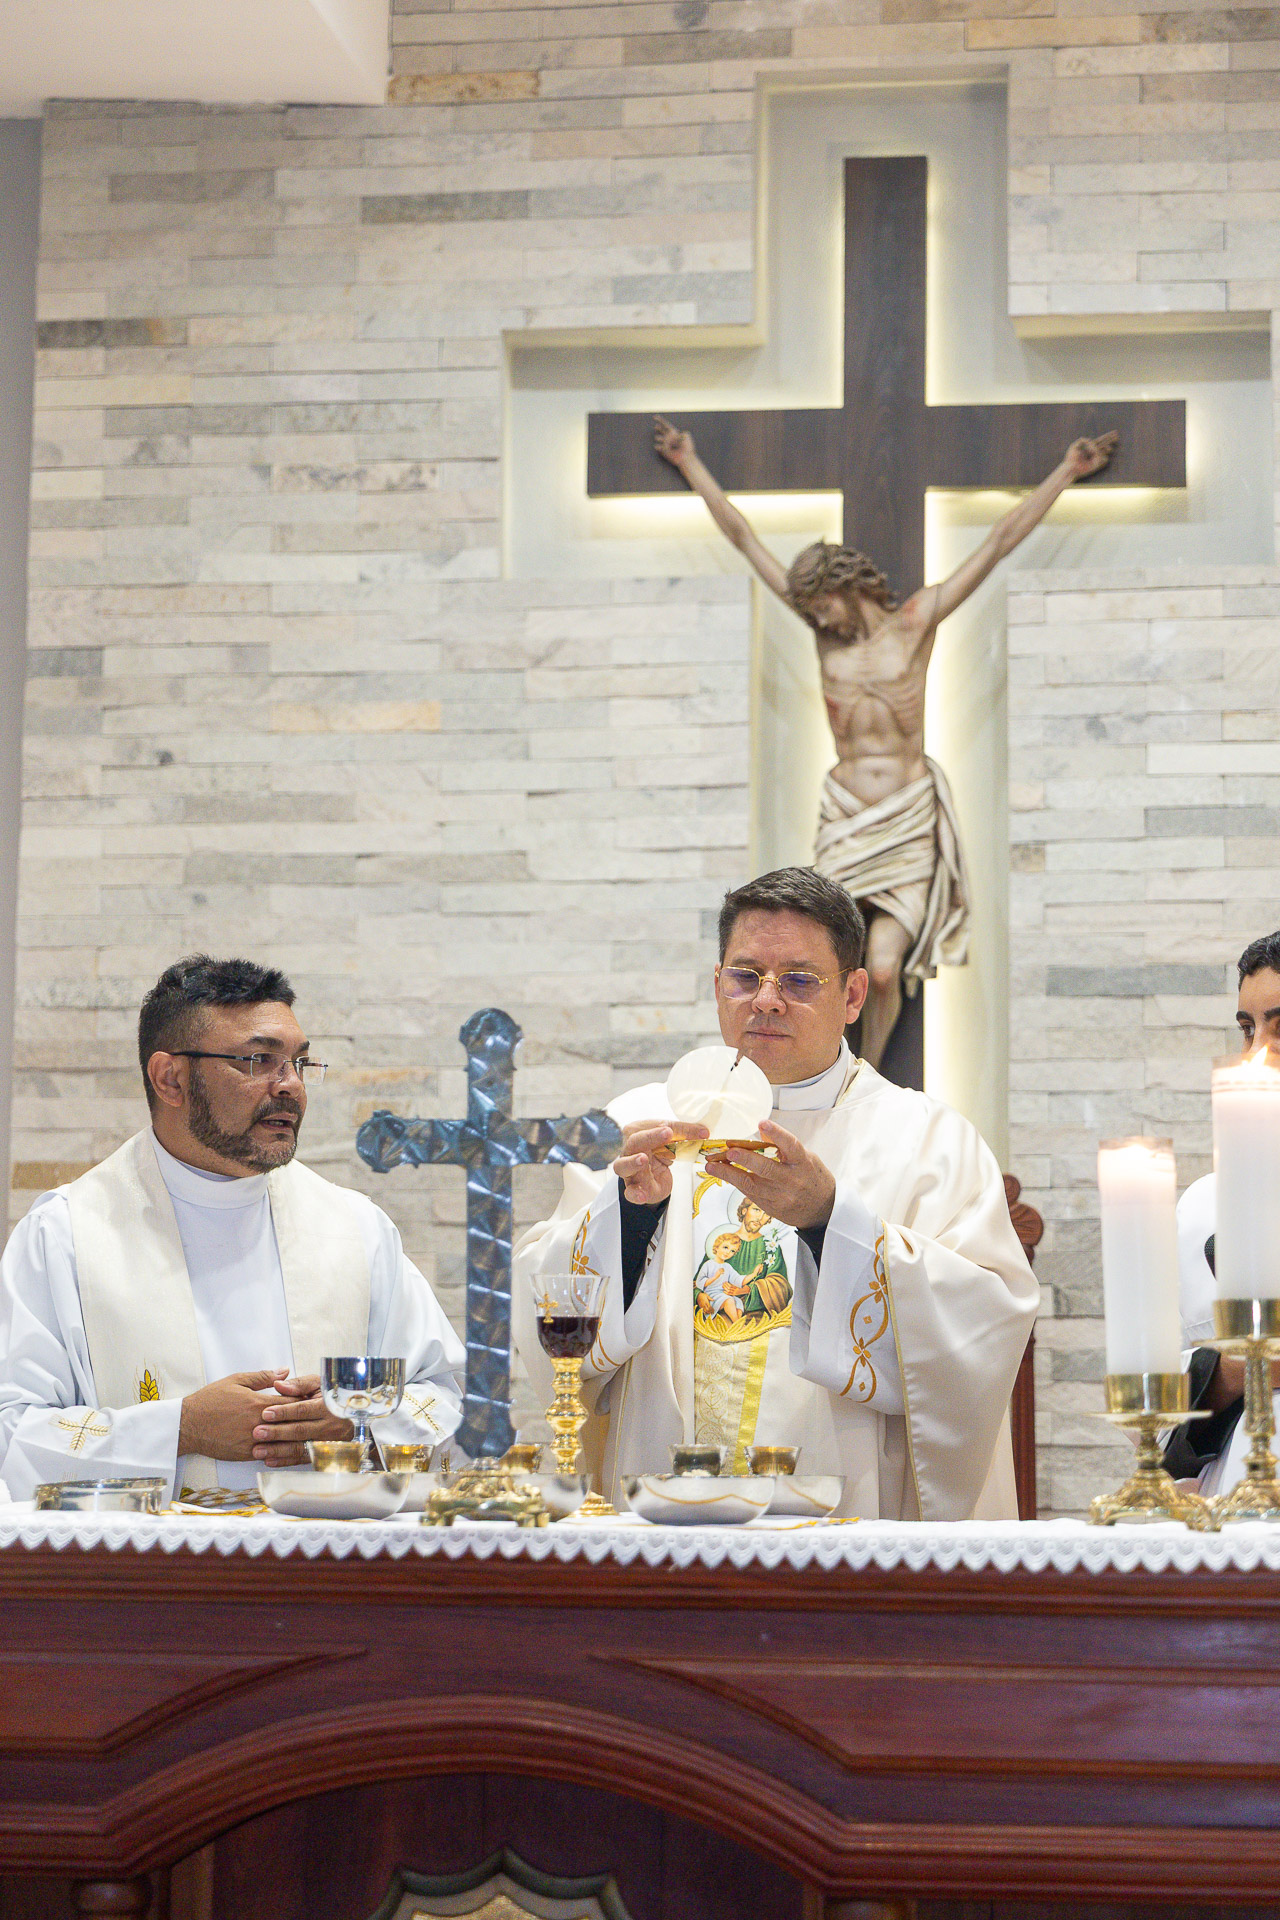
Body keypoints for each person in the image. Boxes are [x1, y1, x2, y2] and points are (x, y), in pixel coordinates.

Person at [514, 868, 1038, 1518]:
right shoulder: (641, 1128)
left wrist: (827, 1221)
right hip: (662, 1529)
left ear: (853, 995)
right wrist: (628, 1218)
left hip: (847, 1531)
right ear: (717, 985)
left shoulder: (931, 1141)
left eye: (798, 980)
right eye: (745, 976)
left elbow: (985, 1326)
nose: (766, 1000)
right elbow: (545, 1314)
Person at [653, 416, 1118, 1068]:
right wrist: (690, 464)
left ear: (844, 587)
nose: (817, 619)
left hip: (905, 812)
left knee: (883, 964)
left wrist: (1067, 471)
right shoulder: (824, 637)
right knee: (815, 963)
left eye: (822, 606)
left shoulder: (915, 622)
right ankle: (823, 1070)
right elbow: (742, 537)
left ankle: (862, 1074)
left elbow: (998, 543)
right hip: (845, 814)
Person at [0, 954, 465, 1500]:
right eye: (259, 1060)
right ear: (171, 1079)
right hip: (149, 1556)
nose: (290, 1086)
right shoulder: (65, 1235)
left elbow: (445, 1396)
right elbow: (13, 1433)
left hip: (326, 1553)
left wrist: (358, 1424)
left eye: (299, 1062)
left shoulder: (356, 1229)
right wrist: (180, 1428)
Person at [1165, 931, 1280, 1493]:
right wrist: (1235, 1371)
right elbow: (1149, 1409)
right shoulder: (1202, 1208)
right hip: (1231, 1506)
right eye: (1247, 1028)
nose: (1256, 1053)